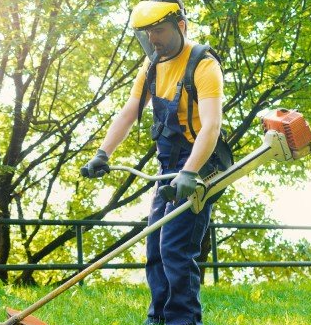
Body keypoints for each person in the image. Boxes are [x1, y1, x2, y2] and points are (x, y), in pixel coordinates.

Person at [81, 1, 223, 324]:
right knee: (156, 247)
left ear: (180, 26)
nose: (153, 39)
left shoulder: (203, 65)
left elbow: (212, 126)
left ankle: (183, 319)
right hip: (167, 165)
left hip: (197, 165)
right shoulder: (151, 66)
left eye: (159, 30)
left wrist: (190, 172)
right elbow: (130, 111)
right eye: (148, 33)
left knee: (176, 247)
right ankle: (158, 316)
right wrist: (103, 153)